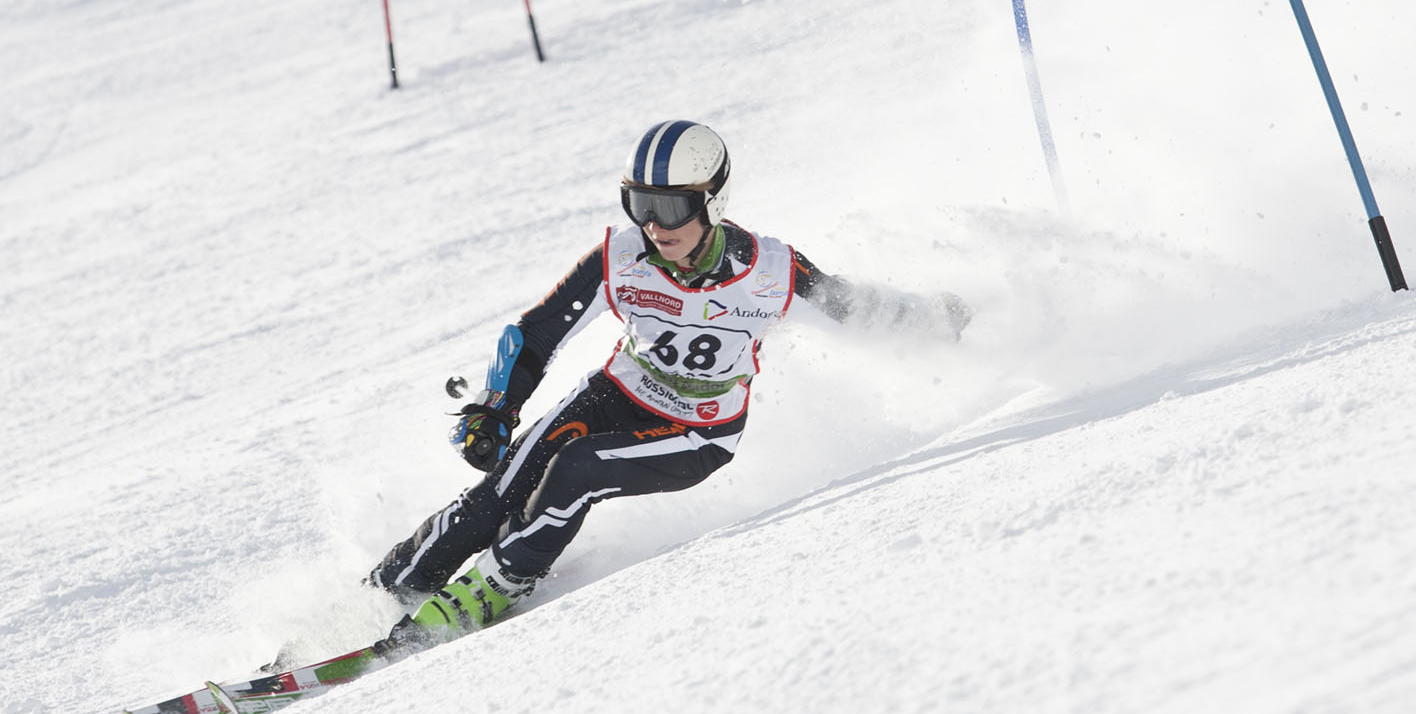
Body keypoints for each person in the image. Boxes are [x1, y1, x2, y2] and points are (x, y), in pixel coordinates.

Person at [367, 120, 970, 655]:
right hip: (613, 394)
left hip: (694, 432)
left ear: (712, 200)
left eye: (673, 208)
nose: (656, 226)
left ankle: (499, 582)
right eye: (640, 204)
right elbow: (537, 332)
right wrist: (498, 409)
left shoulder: (770, 272)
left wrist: (938, 319)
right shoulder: (621, 257)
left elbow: (850, 308)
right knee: (498, 493)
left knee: (576, 469)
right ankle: (385, 591)